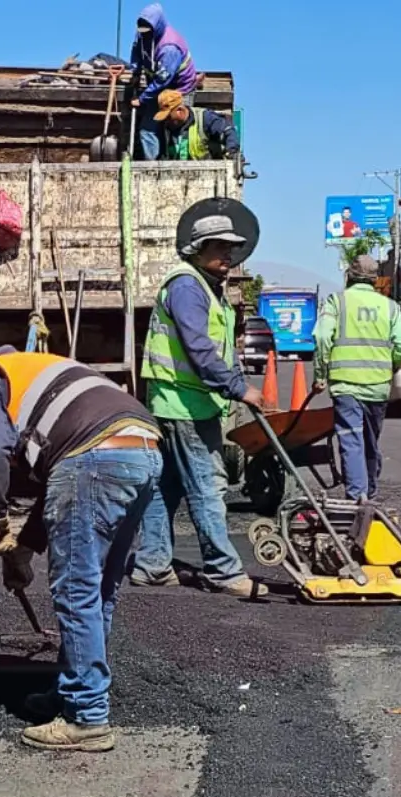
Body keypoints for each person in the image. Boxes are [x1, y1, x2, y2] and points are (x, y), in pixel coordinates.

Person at [0, 350, 161, 752]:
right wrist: (23, 552)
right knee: (99, 590)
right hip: (144, 449)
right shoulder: (38, 374)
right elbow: (59, 484)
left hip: (94, 455)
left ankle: (86, 716)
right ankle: (77, 691)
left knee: (76, 591)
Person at [132, 213, 260, 599]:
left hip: (185, 402)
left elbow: (219, 347)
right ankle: (223, 570)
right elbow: (199, 348)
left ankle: (153, 565)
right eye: (219, 246)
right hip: (182, 404)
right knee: (206, 487)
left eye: (231, 248)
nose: (227, 253)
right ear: (198, 249)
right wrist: (240, 389)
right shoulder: (188, 286)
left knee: (164, 488)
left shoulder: (207, 287)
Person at [313, 253, 401, 503]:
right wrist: (391, 366)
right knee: (370, 441)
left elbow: (323, 337)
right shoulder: (390, 307)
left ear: (349, 276)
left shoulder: (337, 302)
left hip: (346, 385)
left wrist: (320, 374)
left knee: (351, 439)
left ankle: (358, 499)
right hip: (378, 387)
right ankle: (370, 491)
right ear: (375, 280)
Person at [129, 4, 201, 161]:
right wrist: (135, 71)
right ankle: (151, 167)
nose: (144, 35)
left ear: (157, 27)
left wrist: (141, 100)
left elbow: (162, 80)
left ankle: (179, 167)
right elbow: (136, 50)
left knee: (178, 127)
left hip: (178, 88)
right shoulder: (142, 33)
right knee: (147, 129)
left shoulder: (169, 48)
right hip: (157, 87)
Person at [153, 90, 238, 162]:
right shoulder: (166, 129)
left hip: (208, 174)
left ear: (180, 110)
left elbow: (228, 131)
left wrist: (232, 152)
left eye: (168, 116)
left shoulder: (204, 118)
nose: (166, 121)